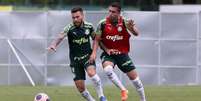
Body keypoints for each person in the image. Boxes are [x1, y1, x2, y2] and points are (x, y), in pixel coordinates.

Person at [47, 7, 107, 101]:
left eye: (77, 17)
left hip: (87, 56)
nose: (75, 19)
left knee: (92, 73)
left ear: (82, 16)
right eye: (73, 17)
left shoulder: (89, 26)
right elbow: (61, 36)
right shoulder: (69, 27)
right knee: (81, 88)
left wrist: (95, 52)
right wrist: (54, 45)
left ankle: (102, 96)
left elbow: (96, 39)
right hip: (75, 60)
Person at [90, 2, 146, 101]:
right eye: (109, 11)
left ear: (119, 13)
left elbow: (136, 33)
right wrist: (94, 53)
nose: (110, 13)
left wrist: (132, 27)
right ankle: (123, 90)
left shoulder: (125, 22)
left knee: (136, 81)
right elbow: (97, 39)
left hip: (122, 54)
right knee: (107, 70)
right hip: (109, 54)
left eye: (113, 12)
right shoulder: (102, 23)